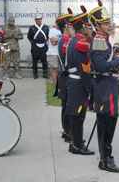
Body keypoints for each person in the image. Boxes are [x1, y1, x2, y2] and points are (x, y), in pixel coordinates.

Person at [88, 0, 119, 172]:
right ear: (97, 25)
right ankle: (106, 158)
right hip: (106, 84)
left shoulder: (104, 39)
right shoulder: (99, 40)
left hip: (107, 84)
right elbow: (101, 66)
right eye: (105, 23)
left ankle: (104, 157)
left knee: (105, 119)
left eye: (109, 22)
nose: (110, 25)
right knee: (109, 119)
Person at [65, 6, 94, 155]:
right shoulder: (80, 43)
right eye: (88, 27)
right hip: (78, 83)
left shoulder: (74, 40)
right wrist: (90, 86)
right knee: (78, 115)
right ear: (82, 28)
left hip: (73, 82)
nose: (90, 30)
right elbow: (84, 69)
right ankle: (76, 145)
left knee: (76, 115)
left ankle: (74, 142)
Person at [54, 9, 73, 142]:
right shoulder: (66, 42)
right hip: (66, 78)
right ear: (65, 29)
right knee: (67, 105)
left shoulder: (65, 40)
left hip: (64, 77)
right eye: (71, 26)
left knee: (66, 105)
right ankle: (67, 132)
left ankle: (67, 131)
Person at [27, 8, 49, 79]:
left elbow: (48, 36)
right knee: (35, 61)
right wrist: (33, 43)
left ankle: (45, 73)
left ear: (41, 19)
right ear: (35, 20)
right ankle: (35, 73)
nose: (38, 20)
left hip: (43, 45)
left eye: (39, 19)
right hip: (35, 45)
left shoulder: (45, 27)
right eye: (37, 19)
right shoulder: (32, 28)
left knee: (44, 61)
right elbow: (29, 37)